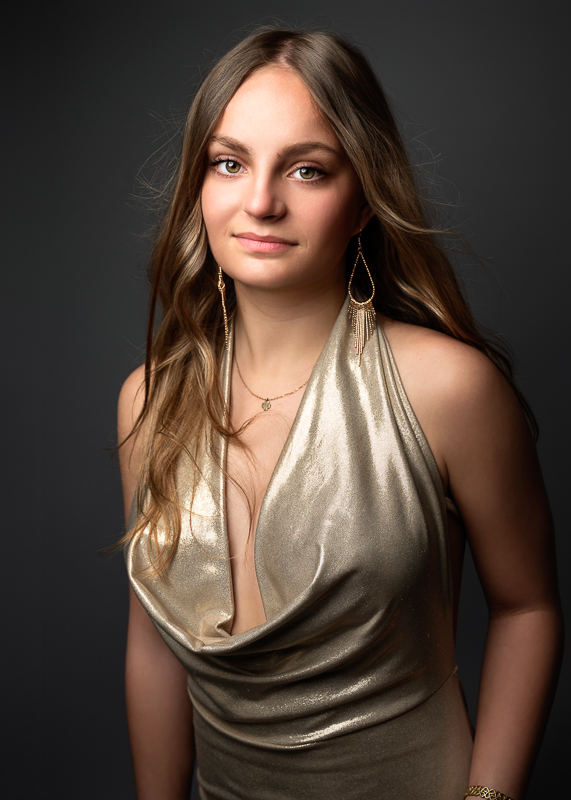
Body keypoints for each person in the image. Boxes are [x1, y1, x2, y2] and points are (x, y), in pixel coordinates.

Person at [117, 28, 562, 800]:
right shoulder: (148, 398)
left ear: (361, 201)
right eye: (229, 162)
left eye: (307, 169)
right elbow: (155, 644)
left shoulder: (449, 389)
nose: (260, 201)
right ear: (199, 185)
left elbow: (527, 608)